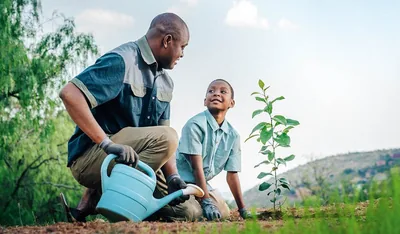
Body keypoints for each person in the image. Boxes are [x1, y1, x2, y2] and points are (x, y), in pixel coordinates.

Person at [58, 12, 190, 222]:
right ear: (167, 41)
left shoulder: (166, 83)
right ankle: (97, 193)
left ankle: (111, 199)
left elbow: (165, 144)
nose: (183, 54)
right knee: (168, 137)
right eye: (183, 47)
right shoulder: (123, 60)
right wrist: (107, 144)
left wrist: (173, 176)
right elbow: (69, 94)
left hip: (135, 158)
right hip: (94, 157)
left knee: (189, 212)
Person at [150, 79, 251, 221]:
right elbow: (197, 168)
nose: (216, 94)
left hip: (199, 186)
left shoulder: (233, 135)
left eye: (223, 91)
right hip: (179, 182)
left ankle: (193, 204)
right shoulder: (195, 125)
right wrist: (206, 201)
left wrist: (242, 210)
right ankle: (158, 209)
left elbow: (232, 175)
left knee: (223, 212)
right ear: (205, 101)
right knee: (191, 212)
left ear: (231, 103)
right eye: (211, 91)